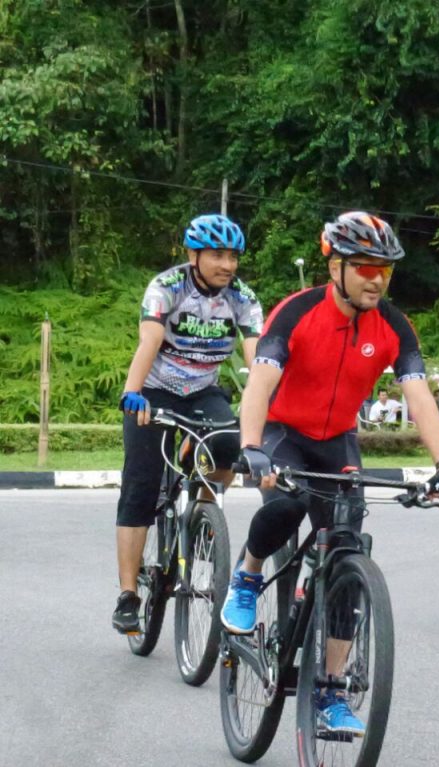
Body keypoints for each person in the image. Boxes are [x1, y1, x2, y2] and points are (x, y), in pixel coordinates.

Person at [221, 211, 439, 735]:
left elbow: (419, 397)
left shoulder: (394, 324)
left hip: (337, 441)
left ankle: (330, 692)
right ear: (336, 266)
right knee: (285, 504)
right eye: (366, 267)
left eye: (385, 270)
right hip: (285, 433)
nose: (377, 278)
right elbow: (259, 385)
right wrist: (252, 446)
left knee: (350, 552)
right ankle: (249, 572)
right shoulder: (296, 312)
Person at [112, 214, 262, 635]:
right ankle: (127, 594)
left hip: (203, 392)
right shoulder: (168, 287)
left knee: (231, 443)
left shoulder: (242, 296)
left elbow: (257, 357)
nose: (227, 265)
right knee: (140, 487)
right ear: (193, 255)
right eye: (217, 255)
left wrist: (268, 401)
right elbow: (150, 341)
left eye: (233, 256)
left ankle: (201, 512)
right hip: (155, 391)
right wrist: (133, 390)